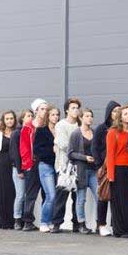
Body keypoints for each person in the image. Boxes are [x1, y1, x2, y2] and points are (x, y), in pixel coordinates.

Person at [107, 106, 128, 238]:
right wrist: (111, 175)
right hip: (119, 169)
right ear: (120, 116)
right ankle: (120, 229)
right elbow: (110, 154)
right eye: (125, 114)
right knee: (119, 201)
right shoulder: (113, 132)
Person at [68, 108, 98, 234]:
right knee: (81, 199)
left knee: (99, 196)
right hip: (81, 170)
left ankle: (99, 222)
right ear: (81, 118)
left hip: (94, 171)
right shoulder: (76, 134)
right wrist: (85, 157)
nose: (89, 118)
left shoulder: (95, 132)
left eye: (91, 116)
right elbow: (70, 153)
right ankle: (81, 223)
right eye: (86, 116)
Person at [91, 101, 120, 236]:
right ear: (109, 113)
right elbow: (95, 148)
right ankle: (101, 224)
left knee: (117, 197)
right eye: (114, 111)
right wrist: (98, 166)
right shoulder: (101, 128)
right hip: (104, 166)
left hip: (119, 166)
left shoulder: (123, 128)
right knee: (104, 195)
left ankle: (116, 224)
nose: (116, 114)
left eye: (118, 111)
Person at [54, 98, 82, 233]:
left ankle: (77, 223)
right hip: (64, 166)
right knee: (61, 195)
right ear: (67, 110)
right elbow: (64, 145)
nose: (75, 110)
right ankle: (56, 223)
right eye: (73, 108)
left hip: (79, 165)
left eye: (77, 108)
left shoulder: (80, 124)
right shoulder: (60, 125)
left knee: (78, 196)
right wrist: (78, 150)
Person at [20, 99, 47, 232]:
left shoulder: (49, 126)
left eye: (46, 109)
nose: (44, 111)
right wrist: (27, 164)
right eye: (42, 109)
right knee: (31, 193)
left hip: (46, 162)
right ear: (36, 111)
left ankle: (45, 220)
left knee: (47, 193)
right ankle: (27, 221)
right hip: (33, 163)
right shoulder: (28, 127)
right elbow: (24, 148)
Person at [0, 110, 18, 229]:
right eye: (7, 119)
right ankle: (3, 222)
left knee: (12, 193)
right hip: (0, 165)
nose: (9, 121)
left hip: (14, 166)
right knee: (1, 193)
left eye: (11, 118)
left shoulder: (17, 133)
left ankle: (12, 221)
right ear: (3, 120)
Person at [36, 105, 61, 233]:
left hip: (58, 166)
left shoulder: (60, 130)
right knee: (50, 195)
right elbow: (37, 151)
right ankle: (44, 221)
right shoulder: (41, 131)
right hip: (45, 165)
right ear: (48, 116)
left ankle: (51, 221)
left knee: (56, 195)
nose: (55, 117)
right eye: (53, 115)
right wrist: (52, 151)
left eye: (57, 115)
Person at [10, 110, 33, 230]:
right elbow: (15, 152)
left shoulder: (32, 131)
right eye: (28, 116)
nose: (30, 118)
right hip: (19, 168)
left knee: (28, 195)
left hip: (30, 168)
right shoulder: (16, 133)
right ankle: (17, 219)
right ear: (22, 118)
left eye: (31, 116)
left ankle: (27, 220)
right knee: (20, 195)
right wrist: (19, 169)